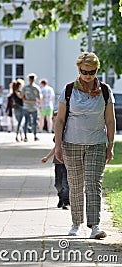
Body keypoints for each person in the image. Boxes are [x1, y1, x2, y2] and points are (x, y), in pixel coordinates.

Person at [54, 51, 115, 239]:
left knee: (93, 184)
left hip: (96, 143)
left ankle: (95, 225)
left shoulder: (105, 90)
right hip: (71, 143)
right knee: (75, 184)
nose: (88, 76)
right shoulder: (69, 89)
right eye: (84, 71)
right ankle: (76, 223)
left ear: (97, 70)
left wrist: (110, 145)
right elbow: (60, 120)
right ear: (78, 69)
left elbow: (110, 120)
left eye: (92, 72)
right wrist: (58, 145)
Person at [41, 111, 69, 210]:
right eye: (54, 119)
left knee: (66, 182)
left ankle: (66, 202)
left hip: (68, 161)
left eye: (56, 118)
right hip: (58, 161)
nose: (54, 120)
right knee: (58, 184)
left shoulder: (68, 130)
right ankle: (61, 197)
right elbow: (56, 147)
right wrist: (47, 157)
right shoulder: (56, 131)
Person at [19, 73, 41, 142]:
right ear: (34, 79)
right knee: (34, 122)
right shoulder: (37, 88)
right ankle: (35, 136)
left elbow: (21, 96)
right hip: (34, 107)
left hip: (26, 106)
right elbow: (39, 97)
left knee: (26, 122)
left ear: (29, 79)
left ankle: (25, 136)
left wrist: (25, 100)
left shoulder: (25, 87)